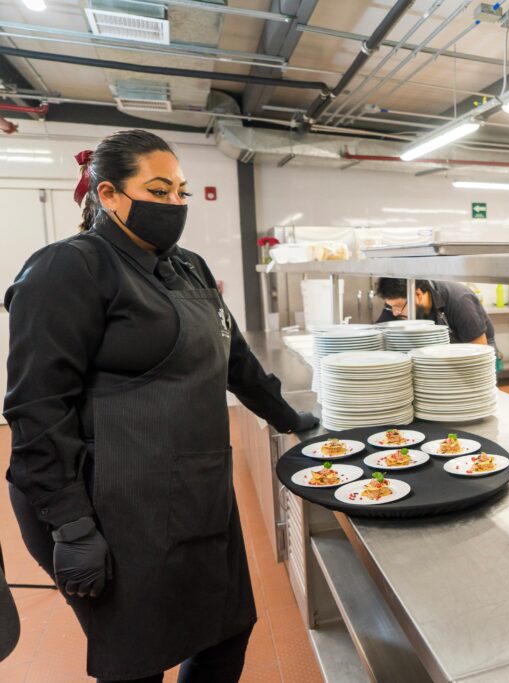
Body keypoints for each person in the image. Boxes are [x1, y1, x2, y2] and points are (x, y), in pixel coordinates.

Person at [3, 130, 318, 682]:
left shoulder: (188, 267)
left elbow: (235, 359)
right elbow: (36, 406)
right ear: (109, 195)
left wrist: (290, 419)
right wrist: (72, 525)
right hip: (111, 503)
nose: (174, 204)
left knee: (226, 632)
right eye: (157, 189)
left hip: (195, 490)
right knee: (138, 661)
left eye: (180, 191)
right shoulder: (69, 269)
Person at [376, 277, 495, 346]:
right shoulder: (397, 304)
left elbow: (479, 347)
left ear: (417, 294)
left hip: (477, 357)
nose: (395, 313)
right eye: (390, 306)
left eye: (398, 307)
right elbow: (379, 332)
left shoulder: (458, 300)